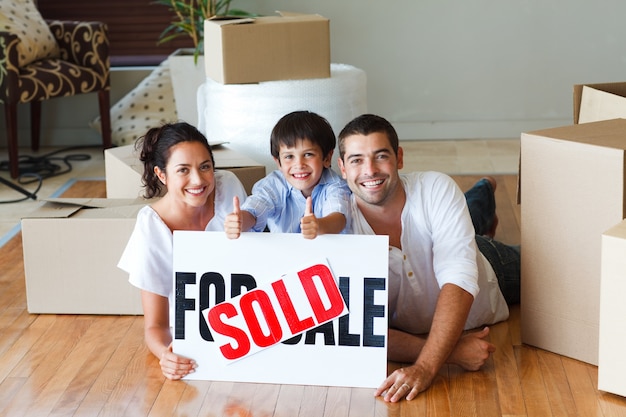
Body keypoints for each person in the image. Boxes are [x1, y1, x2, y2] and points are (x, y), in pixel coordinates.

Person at [336, 114, 520, 402]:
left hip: (492, 270)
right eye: (357, 160)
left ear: (398, 158)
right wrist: (453, 353)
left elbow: (459, 278)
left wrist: (425, 366)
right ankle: (479, 196)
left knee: (553, 268)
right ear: (342, 168)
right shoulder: (337, 226)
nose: (370, 170)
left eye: (380, 156)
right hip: (448, 242)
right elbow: (357, 327)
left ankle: (485, 188)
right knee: (468, 216)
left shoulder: (436, 188)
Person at [118, 122, 247, 380]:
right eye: (183, 171)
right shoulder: (152, 227)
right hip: (195, 336)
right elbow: (155, 325)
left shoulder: (228, 187)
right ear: (162, 175)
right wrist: (166, 354)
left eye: (205, 167)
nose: (198, 180)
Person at [225, 110, 350, 239]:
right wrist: (240, 221)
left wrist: (319, 225)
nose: (299, 164)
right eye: (289, 156)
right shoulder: (274, 185)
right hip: (282, 255)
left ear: (327, 158)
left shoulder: (335, 185)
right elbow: (256, 208)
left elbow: (339, 218)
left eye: (308, 154)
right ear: (278, 162)